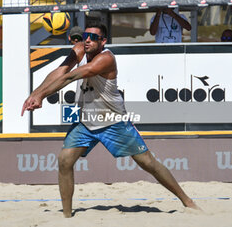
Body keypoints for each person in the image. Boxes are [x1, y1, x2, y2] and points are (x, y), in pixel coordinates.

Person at [21, 22, 199, 218]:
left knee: (149, 164)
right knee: (64, 161)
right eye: (86, 35)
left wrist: (42, 96)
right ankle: (67, 216)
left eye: (93, 37)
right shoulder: (80, 49)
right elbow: (61, 71)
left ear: (103, 41)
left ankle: (187, 201)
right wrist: (34, 94)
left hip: (113, 122)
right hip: (86, 122)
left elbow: (70, 78)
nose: (87, 40)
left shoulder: (105, 59)